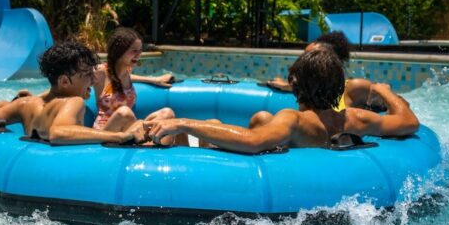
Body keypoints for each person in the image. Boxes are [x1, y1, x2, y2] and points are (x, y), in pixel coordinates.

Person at [146, 47, 418, 153]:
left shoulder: (295, 120)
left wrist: (182, 123)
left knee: (216, 122)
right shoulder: (356, 118)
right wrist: (384, 91)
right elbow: (409, 122)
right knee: (261, 119)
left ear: (298, 87)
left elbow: (251, 142)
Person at [0, 41, 146, 145]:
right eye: (87, 75)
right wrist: (120, 136)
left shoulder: (25, 104)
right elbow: (58, 132)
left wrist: (4, 106)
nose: (94, 79)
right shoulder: (73, 101)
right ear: (65, 81)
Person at [92, 27, 186, 144]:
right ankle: (152, 147)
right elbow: (79, 77)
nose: (138, 54)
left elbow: (123, 78)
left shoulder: (127, 72)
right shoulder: (101, 72)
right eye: (134, 51)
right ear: (120, 51)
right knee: (125, 113)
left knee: (167, 113)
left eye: (140, 50)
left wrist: (155, 80)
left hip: (130, 130)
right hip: (107, 134)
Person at [264, 31, 386, 111]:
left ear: (331, 62)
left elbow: (393, 102)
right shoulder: (305, 88)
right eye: (305, 55)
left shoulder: (354, 87)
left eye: (312, 56)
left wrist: (381, 93)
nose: (304, 60)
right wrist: (291, 86)